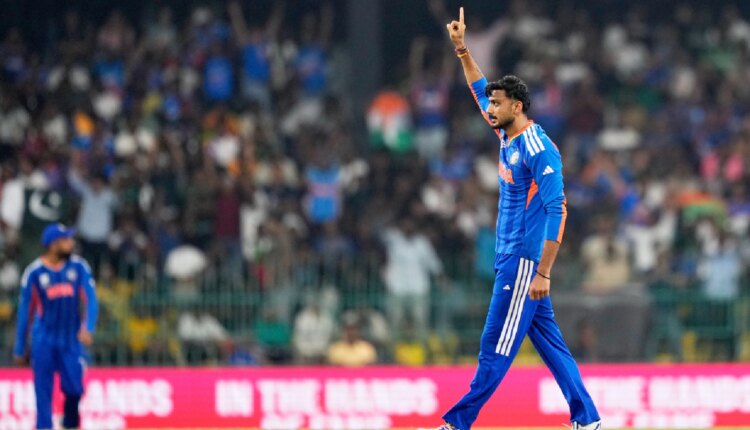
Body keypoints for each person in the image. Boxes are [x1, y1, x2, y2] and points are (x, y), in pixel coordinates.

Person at [422, 8, 601, 430]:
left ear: (516, 106)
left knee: (494, 347)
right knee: (552, 346)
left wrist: (543, 272)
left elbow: (558, 209)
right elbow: (477, 87)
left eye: (497, 103)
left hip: (523, 261)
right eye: (491, 102)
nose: (489, 107)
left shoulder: (538, 147)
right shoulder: (507, 133)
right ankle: (588, 419)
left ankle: (457, 423)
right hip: (511, 259)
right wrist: (462, 49)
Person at [13, 223, 99, 430]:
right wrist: (20, 348)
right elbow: (25, 312)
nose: (71, 243)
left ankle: (69, 424)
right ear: (53, 245)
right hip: (44, 341)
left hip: (71, 341)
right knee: (43, 392)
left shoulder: (79, 267)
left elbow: (91, 299)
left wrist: (88, 327)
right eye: (66, 240)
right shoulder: (34, 273)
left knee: (75, 389)